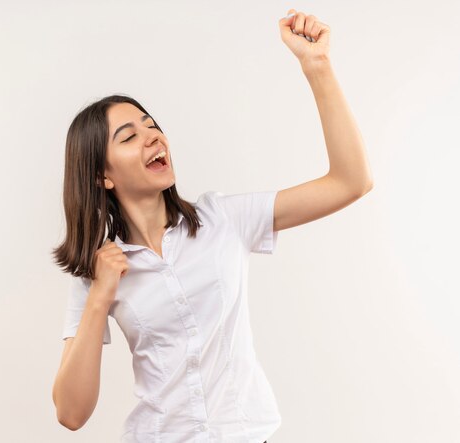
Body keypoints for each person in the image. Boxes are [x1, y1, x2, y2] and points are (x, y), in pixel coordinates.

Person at [51, 9, 374, 443]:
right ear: (101, 176)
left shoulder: (223, 219)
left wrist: (317, 67)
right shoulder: (97, 271)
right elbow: (71, 413)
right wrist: (99, 298)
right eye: (128, 137)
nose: (153, 137)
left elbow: (351, 181)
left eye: (152, 126)